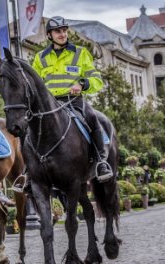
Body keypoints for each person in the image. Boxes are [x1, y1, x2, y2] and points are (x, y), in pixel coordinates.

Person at [32, 16, 112, 182]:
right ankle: (28, 170)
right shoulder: (40, 58)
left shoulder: (81, 53)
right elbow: (35, 85)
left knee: (92, 118)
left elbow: (96, 79)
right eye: (57, 31)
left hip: (73, 100)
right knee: (29, 127)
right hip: (50, 105)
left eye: (64, 30)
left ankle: (102, 162)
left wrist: (83, 84)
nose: (62, 34)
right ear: (49, 35)